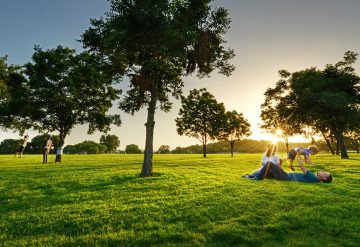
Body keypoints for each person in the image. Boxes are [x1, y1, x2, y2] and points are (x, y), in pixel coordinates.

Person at [243, 151, 332, 183]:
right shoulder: (314, 178)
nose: (323, 172)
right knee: (268, 172)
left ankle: (257, 178)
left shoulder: (313, 178)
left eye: (325, 174)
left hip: (285, 176)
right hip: (285, 175)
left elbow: (302, 167)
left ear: (324, 179)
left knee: (269, 163)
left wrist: (297, 155)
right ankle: (252, 175)